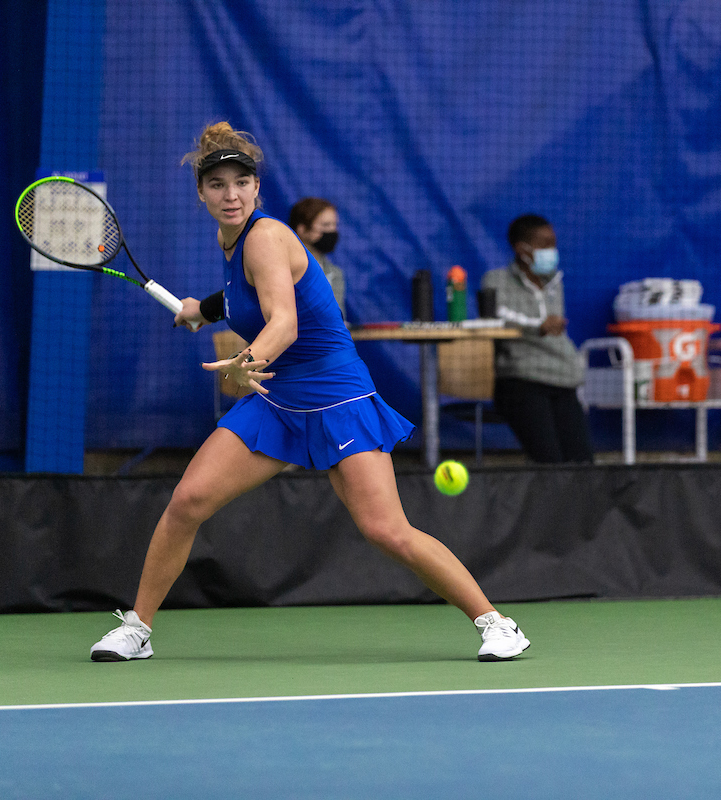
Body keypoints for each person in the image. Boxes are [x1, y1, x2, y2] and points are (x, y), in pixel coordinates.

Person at [90, 122, 529, 663]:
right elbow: (241, 296)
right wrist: (200, 311)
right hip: (279, 397)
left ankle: (497, 623)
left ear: (257, 189)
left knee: (386, 530)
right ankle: (137, 629)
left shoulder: (267, 236)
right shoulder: (229, 238)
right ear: (201, 193)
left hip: (335, 393)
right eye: (217, 184)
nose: (230, 194)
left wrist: (245, 362)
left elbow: (284, 323)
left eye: (240, 182)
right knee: (187, 502)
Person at [481, 214, 594, 464]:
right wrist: (538, 326)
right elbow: (497, 318)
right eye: (545, 244)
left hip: (563, 381)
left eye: (553, 243)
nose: (552, 251)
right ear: (522, 249)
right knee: (550, 464)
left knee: (582, 464)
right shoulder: (496, 280)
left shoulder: (554, 282)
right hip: (522, 381)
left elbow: (556, 334)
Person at [289, 197, 347, 320]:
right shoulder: (282, 268)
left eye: (334, 225)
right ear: (302, 229)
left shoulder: (334, 273)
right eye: (326, 225)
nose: (332, 230)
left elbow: (338, 319)